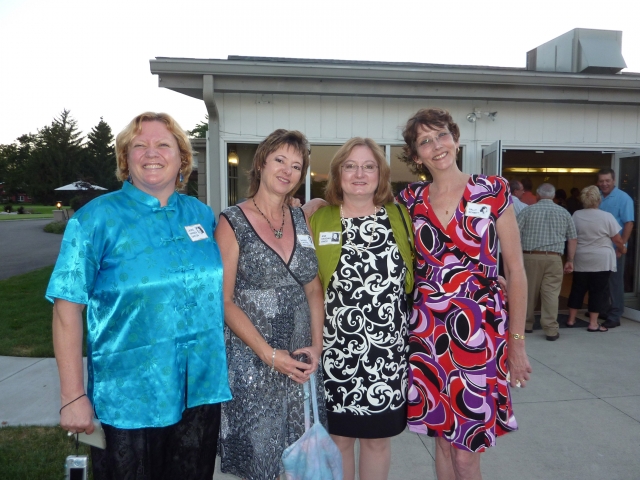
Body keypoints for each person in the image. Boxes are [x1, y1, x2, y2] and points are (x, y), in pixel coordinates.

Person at [46, 112, 231, 480]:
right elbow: (67, 310)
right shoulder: (95, 219)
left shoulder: (202, 216)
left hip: (199, 389)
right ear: (124, 158)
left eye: (163, 144)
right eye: (139, 145)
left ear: (181, 157)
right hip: (130, 396)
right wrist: (72, 396)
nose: (152, 152)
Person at [397, 108, 531, 480]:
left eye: (441, 135)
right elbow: (358, 210)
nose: (436, 146)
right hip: (428, 332)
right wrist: (311, 206)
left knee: (467, 451)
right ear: (416, 154)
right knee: (442, 440)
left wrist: (516, 342)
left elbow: (516, 272)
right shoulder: (409, 200)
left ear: (455, 137)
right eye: (425, 141)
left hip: (478, 333)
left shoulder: (491, 190)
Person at [215, 129, 327, 480]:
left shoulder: (300, 218)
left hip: (300, 363)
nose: (287, 170)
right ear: (261, 162)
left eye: (296, 165)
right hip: (253, 363)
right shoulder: (231, 222)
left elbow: (313, 290)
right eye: (279, 160)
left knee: (299, 465)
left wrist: (318, 348)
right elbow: (225, 301)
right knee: (261, 465)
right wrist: (268, 354)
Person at [309, 137, 414, 480]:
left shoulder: (400, 216)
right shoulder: (318, 219)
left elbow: (434, 261)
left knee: (377, 442)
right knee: (338, 439)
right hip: (336, 354)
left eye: (369, 166)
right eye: (350, 166)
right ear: (338, 174)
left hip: (387, 356)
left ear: (380, 175)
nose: (359, 173)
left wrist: (486, 280)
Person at [517, 183, 577, 341]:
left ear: (537, 195)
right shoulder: (564, 213)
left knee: (528, 292)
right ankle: (550, 329)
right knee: (551, 294)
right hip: (554, 257)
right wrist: (570, 260)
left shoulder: (527, 211)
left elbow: (515, 233)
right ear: (553, 195)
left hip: (530, 256)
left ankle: (526, 325)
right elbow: (572, 238)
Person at [566, 186, 625, 332]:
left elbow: (572, 236)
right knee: (597, 291)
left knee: (577, 289)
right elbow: (617, 239)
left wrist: (570, 258)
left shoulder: (576, 215)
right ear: (598, 199)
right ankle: (593, 323)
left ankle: (571, 319)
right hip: (602, 259)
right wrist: (623, 249)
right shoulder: (607, 216)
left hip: (581, 257)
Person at [597, 168, 634, 328]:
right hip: (599, 248)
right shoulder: (597, 196)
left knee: (615, 282)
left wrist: (621, 246)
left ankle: (615, 315)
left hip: (615, 248)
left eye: (607, 181)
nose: (604, 184)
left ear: (614, 180)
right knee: (602, 281)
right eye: (601, 181)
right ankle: (604, 310)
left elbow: (629, 223)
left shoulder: (623, 198)